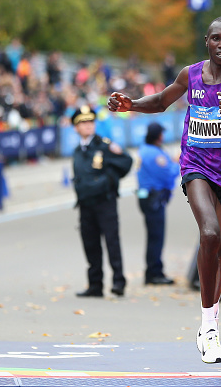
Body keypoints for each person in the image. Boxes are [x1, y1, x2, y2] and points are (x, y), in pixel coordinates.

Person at [107, 16, 221, 364]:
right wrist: (131, 104)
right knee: (208, 235)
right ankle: (209, 326)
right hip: (196, 164)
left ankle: (212, 312)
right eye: (216, 39)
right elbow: (162, 101)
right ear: (207, 41)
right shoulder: (190, 74)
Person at [72, 105, 133, 298]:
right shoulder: (77, 151)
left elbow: (125, 162)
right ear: (76, 128)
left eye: (90, 122)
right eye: (83, 123)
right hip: (85, 205)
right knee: (90, 245)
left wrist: (109, 180)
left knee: (112, 242)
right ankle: (95, 284)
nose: (88, 126)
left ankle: (118, 282)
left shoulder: (104, 145)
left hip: (104, 202)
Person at [136, 122, 179, 285]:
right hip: (154, 198)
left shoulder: (144, 150)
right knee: (156, 237)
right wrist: (177, 162)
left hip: (146, 196)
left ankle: (153, 271)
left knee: (153, 236)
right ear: (158, 135)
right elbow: (168, 175)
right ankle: (154, 272)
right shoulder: (155, 154)